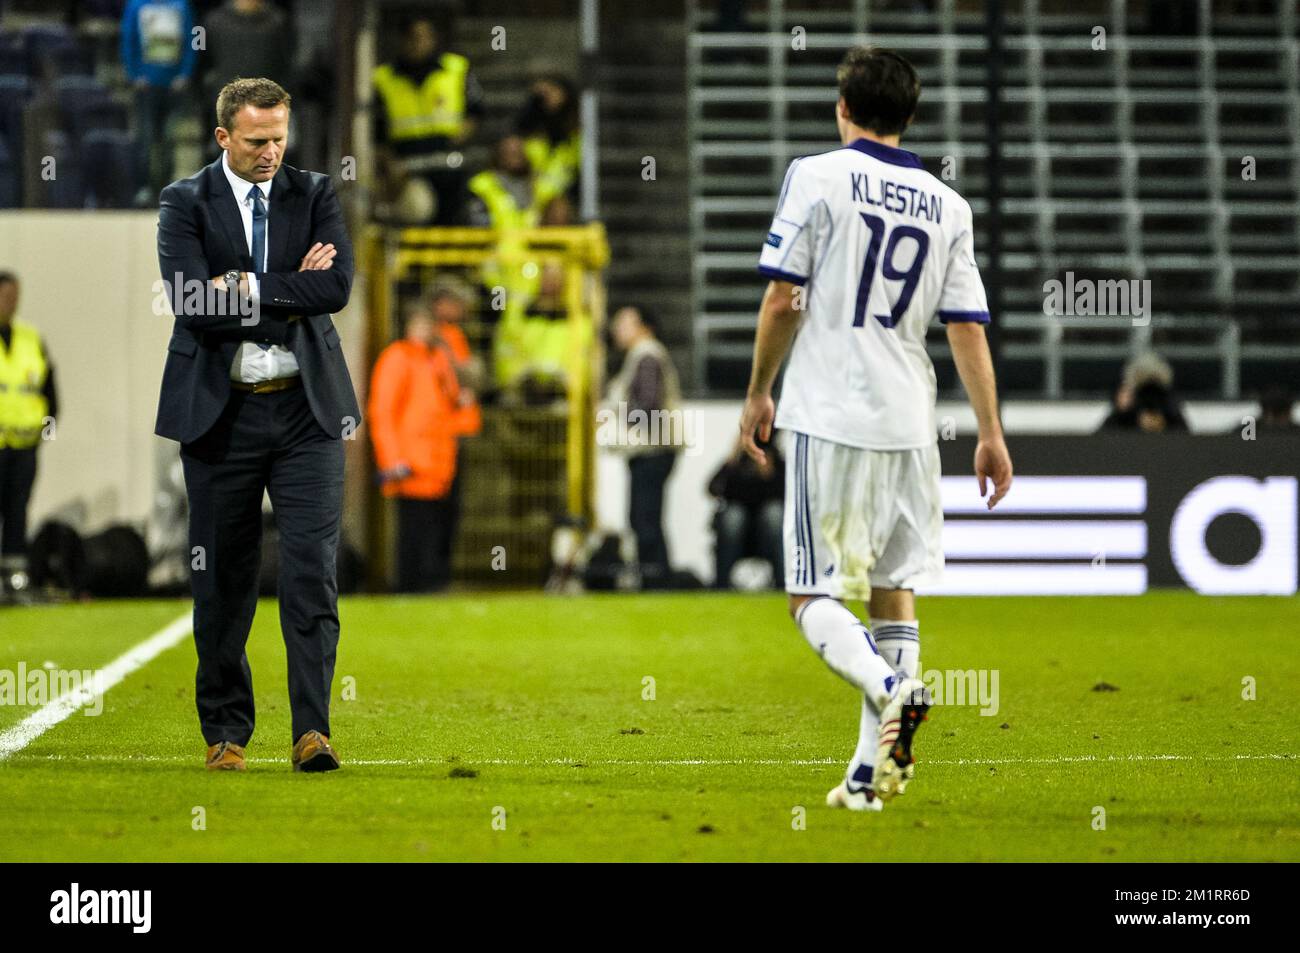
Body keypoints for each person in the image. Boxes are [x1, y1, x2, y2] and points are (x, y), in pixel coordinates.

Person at [738, 46, 1013, 811]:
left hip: (830, 412)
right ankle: (869, 777)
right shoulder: (948, 205)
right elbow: (967, 329)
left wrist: (759, 389)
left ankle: (895, 688)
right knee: (894, 593)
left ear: (843, 109)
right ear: (910, 116)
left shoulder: (817, 175)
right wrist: (990, 431)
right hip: (911, 421)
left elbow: (780, 296)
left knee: (810, 593)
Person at [155, 77, 360, 773]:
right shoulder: (183, 202)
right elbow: (189, 301)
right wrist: (284, 290)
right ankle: (226, 732)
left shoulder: (316, 193)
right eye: (255, 141)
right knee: (222, 581)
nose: (272, 152)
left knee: (311, 576)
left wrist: (242, 286)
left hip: (308, 415)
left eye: (279, 138)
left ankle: (313, 731)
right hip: (221, 418)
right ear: (222, 138)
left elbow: (333, 288)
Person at [367, 301, 467, 592]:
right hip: (411, 464)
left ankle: (429, 587)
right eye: (420, 325)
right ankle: (410, 588)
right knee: (413, 532)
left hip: (439, 463)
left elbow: (452, 404)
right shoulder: (397, 358)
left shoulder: (438, 359)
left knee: (435, 531)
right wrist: (391, 460)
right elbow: (382, 412)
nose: (425, 331)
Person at [372, 14, 485, 225]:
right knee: (415, 213)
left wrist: (457, 137)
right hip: (407, 166)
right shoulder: (383, 78)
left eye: (426, 37)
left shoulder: (457, 68)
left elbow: (476, 111)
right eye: (413, 37)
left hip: (449, 165)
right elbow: (376, 129)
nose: (419, 43)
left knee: (455, 220)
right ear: (402, 40)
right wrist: (388, 163)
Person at [607, 305, 682, 588]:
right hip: (655, 450)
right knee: (647, 518)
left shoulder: (646, 354)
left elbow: (648, 405)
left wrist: (614, 417)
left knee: (644, 519)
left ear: (644, 327)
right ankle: (656, 579)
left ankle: (655, 581)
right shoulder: (645, 355)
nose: (617, 329)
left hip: (651, 450)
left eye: (624, 323)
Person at [0, 272, 58, 598]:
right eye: (6, 295)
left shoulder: (31, 339)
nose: (11, 302)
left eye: (15, 296)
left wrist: (44, 435)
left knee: (18, 511)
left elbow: (51, 394)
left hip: (24, 446)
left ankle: (14, 580)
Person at [121, 0, 197, 206]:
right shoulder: (136, 6)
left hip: (173, 85)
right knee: (145, 138)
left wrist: (185, 73)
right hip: (146, 85)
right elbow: (128, 39)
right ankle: (143, 186)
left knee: (169, 137)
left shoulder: (182, 6)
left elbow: (193, 39)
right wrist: (134, 74)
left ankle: (165, 185)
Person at [198, 0, 293, 161]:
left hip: (265, 105)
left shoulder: (277, 22)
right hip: (226, 103)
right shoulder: (214, 22)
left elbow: (285, 63)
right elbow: (203, 62)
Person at [708, 434, 783, 588]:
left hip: (765, 529)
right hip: (738, 527)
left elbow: (786, 494)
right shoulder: (737, 462)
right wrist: (732, 460)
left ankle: (782, 581)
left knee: (774, 513)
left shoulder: (775, 461)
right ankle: (721, 583)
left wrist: (769, 476)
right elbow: (712, 487)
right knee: (734, 516)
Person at [515, 73, 581, 222]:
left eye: (553, 91)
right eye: (543, 95)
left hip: (564, 196)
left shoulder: (576, 131)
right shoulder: (531, 133)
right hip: (532, 199)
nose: (548, 98)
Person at [1099, 351, 1188, 432]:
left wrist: (1164, 426)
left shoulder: (1168, 406)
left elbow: (1186, 438)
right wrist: (1122, 413)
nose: (1149, 395)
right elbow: (1101, 440)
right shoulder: (1124, 412)